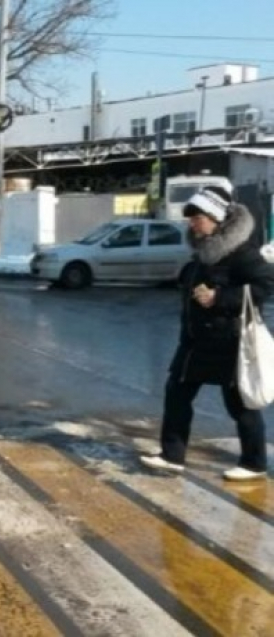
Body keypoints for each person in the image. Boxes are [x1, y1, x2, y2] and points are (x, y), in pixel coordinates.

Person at [141, 185, 274, 481]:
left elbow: (266, 284)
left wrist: (221, 297)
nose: (191, 222)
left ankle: (254, 464)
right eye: (190, 217)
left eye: (197, 217)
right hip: (195, 343)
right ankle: (172, 456)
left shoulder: (241, 253)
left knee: (240, 406)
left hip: (229, 343)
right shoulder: (204, 253)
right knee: (176, 394)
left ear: (217, 218)